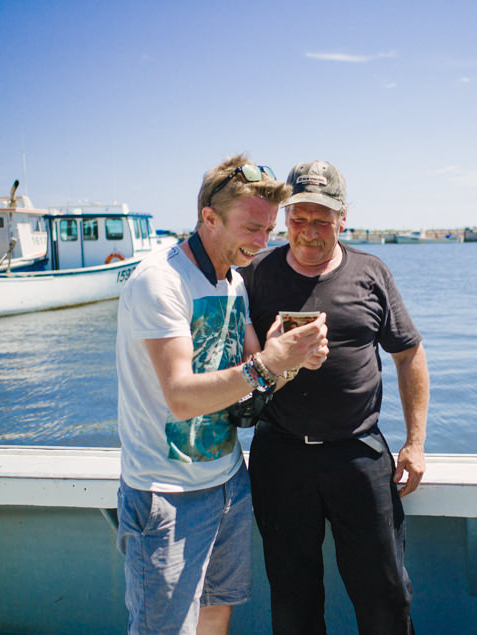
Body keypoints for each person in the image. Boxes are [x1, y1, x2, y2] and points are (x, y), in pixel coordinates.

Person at [115, 154, 328, 635]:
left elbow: (255, 367)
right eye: (252, 228)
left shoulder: (234, 279)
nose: (263, 242)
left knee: (215, 617)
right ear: (208, 218)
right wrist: (270, 363)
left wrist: (292, 358)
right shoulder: (160, 281)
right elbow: (181, 398)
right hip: (166, 492)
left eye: (268, 230)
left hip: (228, 481)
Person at [239, 160, 429, 635]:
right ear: (285, 219)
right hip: (280, 456)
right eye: (298, 218)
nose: (308, 232)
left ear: (344, 219)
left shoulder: (371, 272)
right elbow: (239, 368)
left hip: (359, 455)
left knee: (385, 597)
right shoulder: (255, 274)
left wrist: (415, 442)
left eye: (322, 219)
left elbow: (409, 355)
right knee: (293, 600)